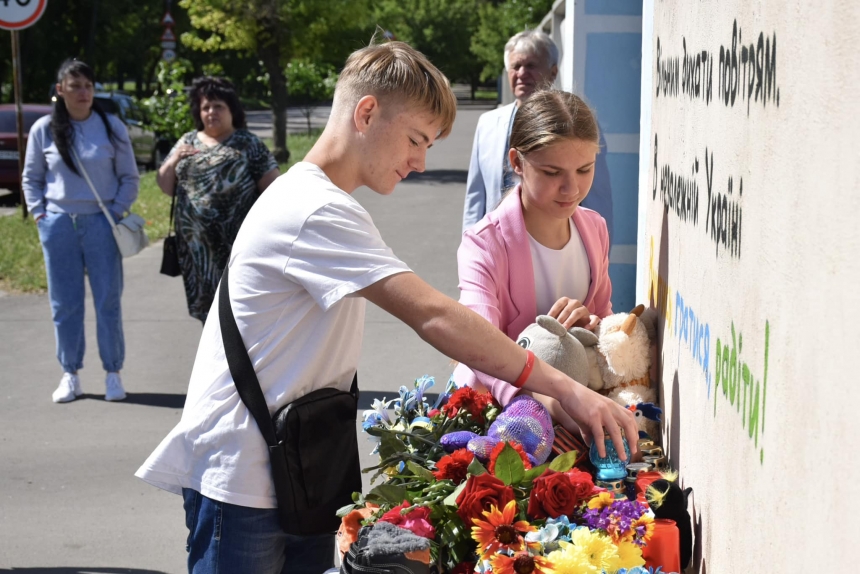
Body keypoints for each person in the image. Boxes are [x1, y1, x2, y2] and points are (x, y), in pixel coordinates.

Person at [136, 41, 637, 574]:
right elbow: (434, 314)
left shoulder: (324, 201)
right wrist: (566, 389)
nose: (421, 162)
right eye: (416, 139)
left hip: (290, 472)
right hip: (244, 484)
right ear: (367, 113)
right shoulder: (314, 209)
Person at [454, 90, 612, 430]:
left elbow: (605, 323)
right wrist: (556, 401)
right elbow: (479, 346)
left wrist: (592, 322)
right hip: (496, 418)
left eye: (585, 169)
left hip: (573, 413)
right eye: (553, 172)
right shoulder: (483, 244)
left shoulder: (595, 228)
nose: (571, 188)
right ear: (516, 162)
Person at [22, 59, 139, 404]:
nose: (83, 92)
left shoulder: (110, 125)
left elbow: (130, 178)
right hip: (58, 223)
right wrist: (40, 215)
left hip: (101, 222)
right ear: (60, 91)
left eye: (88, 85)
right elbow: (31, 178)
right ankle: (70, 373)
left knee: (107, 301)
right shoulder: (44, 128)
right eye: (75, 86)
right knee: (64, 303)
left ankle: (113, 373)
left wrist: (114, 212)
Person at [462, 30, 614, 239]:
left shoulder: (576, 123)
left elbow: (598, 198)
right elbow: (476, 197)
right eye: (516, 66)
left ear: (553, 72)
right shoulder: (487, 123)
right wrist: (469, 244)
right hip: (496, 248)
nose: (522, 73)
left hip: (556, 248)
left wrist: (597, 256)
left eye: (531, 65)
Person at [156, 76, 279, 324]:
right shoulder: (187, 142)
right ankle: (217, 362)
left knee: (239, 314)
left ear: (231, 110)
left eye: (218, 106)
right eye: (206, 107)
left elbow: (274, 190)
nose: (211, 112)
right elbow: (166, 186)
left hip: (238, 249)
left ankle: (239, 362)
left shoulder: (248, 143)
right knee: (208, 316)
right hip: (196, 253)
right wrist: (173, 160)